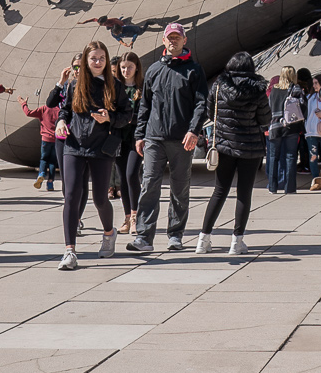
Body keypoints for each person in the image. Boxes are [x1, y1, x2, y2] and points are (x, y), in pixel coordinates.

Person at [126, 22, 209, 256]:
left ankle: (175, 235)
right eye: (169, 37)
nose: (173, 41)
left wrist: (194, 130)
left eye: (177, 37)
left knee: (179, 188)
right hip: (154, 137)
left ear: (184, 41)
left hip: (182, 139)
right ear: (163, 41)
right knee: (149, 185)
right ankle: (144, 236)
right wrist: (140, 134)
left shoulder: (194, 70)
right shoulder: (153, 70)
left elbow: (202, 103)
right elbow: (145, 105)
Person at [57, 40, 132, 269]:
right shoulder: (74, 84)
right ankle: (70, 251)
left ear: (106, 60)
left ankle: (109, 234)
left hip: (101, 147)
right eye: (93, 58)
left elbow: (127, 114)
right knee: (71, 195)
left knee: (100, 198)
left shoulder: (115, 86)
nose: (98, 62)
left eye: (101, 58)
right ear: (86, 60)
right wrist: (61, 121)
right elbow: (65, 109)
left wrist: (109, 117)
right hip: (74, 145)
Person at [196, 50, 270, 255]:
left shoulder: (219, 87)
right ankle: (236, 242)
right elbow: (265, 119)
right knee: (244, 193)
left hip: (224, 146)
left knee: (219, 191)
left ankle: (203, 240)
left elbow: (211, 113)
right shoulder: (258, 90)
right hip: (250, 147)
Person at [115, 52, 144, 234]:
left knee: (132, 174)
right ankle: (127, 217)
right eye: (123, 67)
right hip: (118, 138)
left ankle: (135, 216)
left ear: (136, 68)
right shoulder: (114, 87)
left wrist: (128, 119)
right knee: (122, 180)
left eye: (130, 67)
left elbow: (144, 114)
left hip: (136, 137)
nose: (126, 70)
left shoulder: (141, 88)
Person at [266, 65, 305, 194]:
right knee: (291, 156)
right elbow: (303, 107)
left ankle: (272, 186)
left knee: (273, 157)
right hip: (291, 126)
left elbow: (269, 107)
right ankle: (290, 187)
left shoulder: (274, 90)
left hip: (275, 126)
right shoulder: (296, 89)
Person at [19, 91, 62, 190]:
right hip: (56, 140)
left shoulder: (44, 109)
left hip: (45, 139)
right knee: (52, 162)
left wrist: (23, 104)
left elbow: (28, 113)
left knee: (43, 159)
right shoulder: (60, 111)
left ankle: (41, 173)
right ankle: (50, 183)